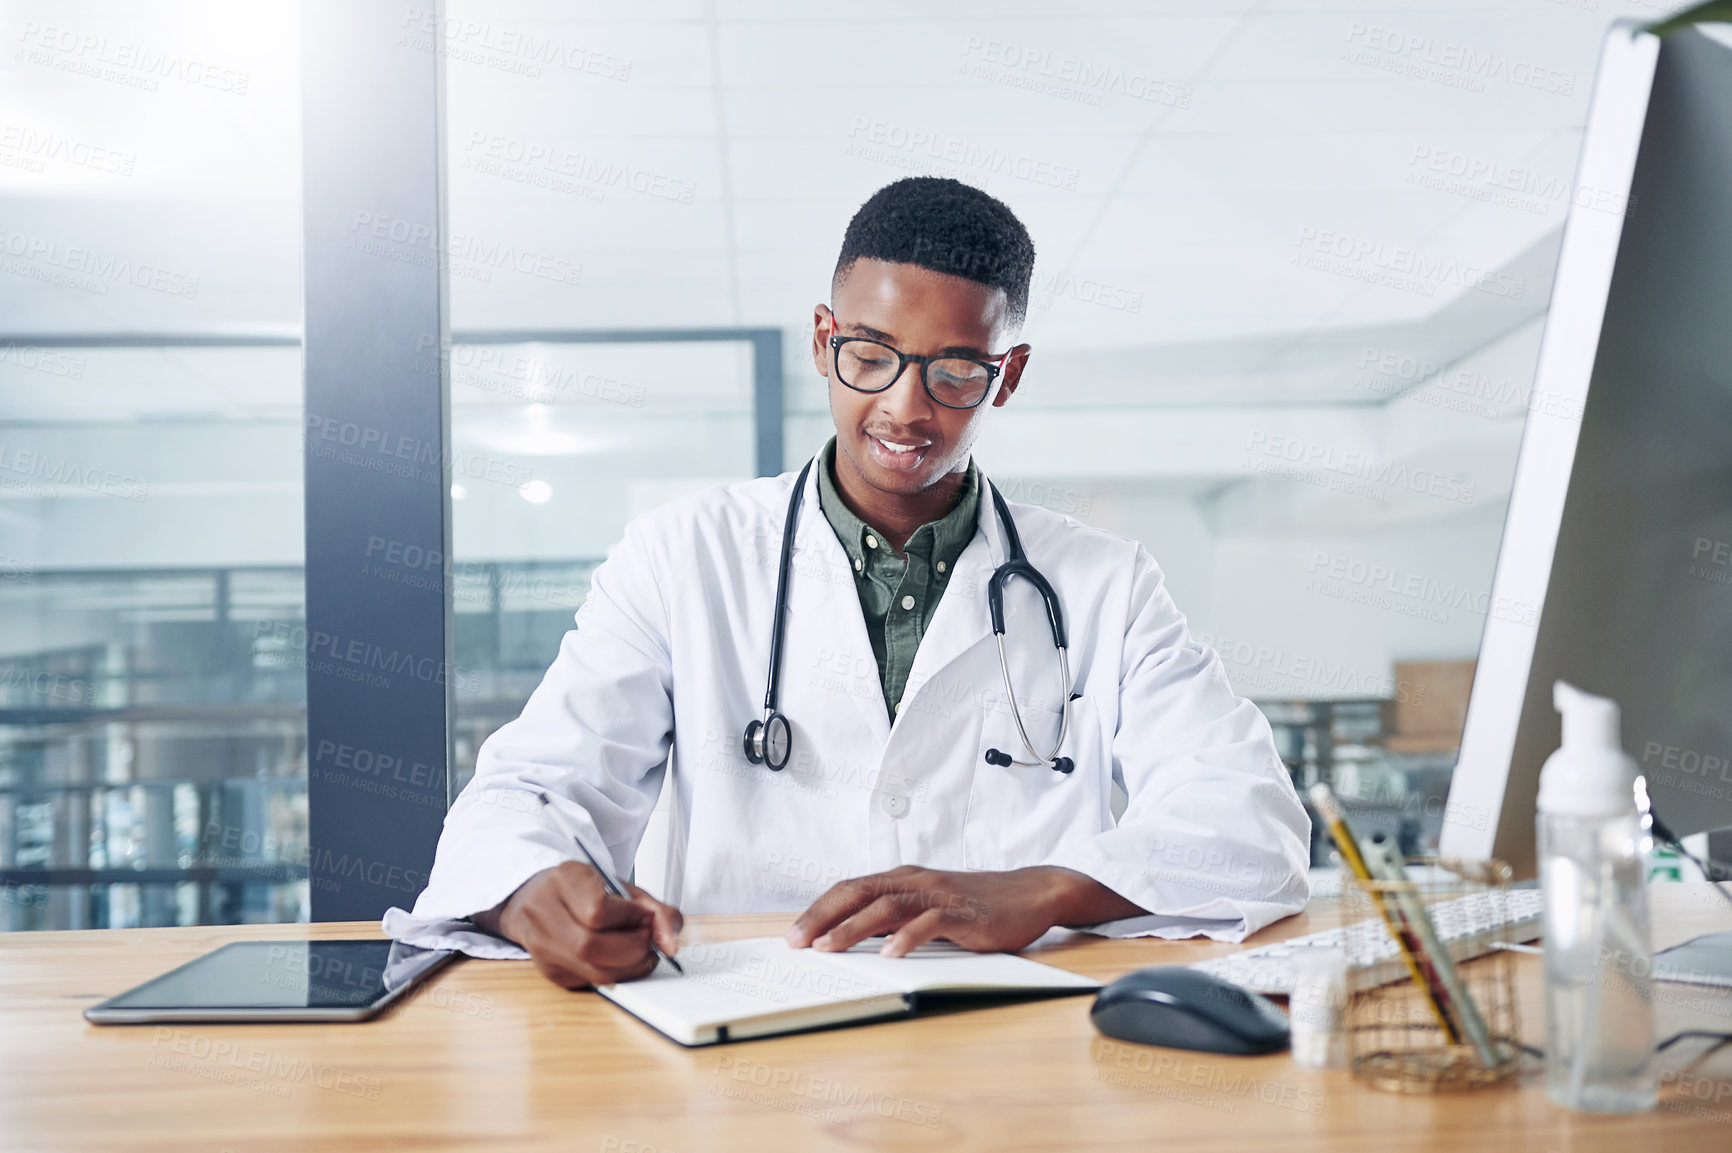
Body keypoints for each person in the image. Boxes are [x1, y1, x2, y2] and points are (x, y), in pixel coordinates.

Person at [384, 177, 1310, 990]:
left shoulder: (1104, 582)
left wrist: (1043, 888)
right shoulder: (681, 554)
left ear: (1007, 375)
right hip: (743, 1041)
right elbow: (532, 790)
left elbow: (1251, 821)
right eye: (872, 355)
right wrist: (535, 888)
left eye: (955, 371)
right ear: (825, 341)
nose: (906, 407)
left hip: (1012, 1047)